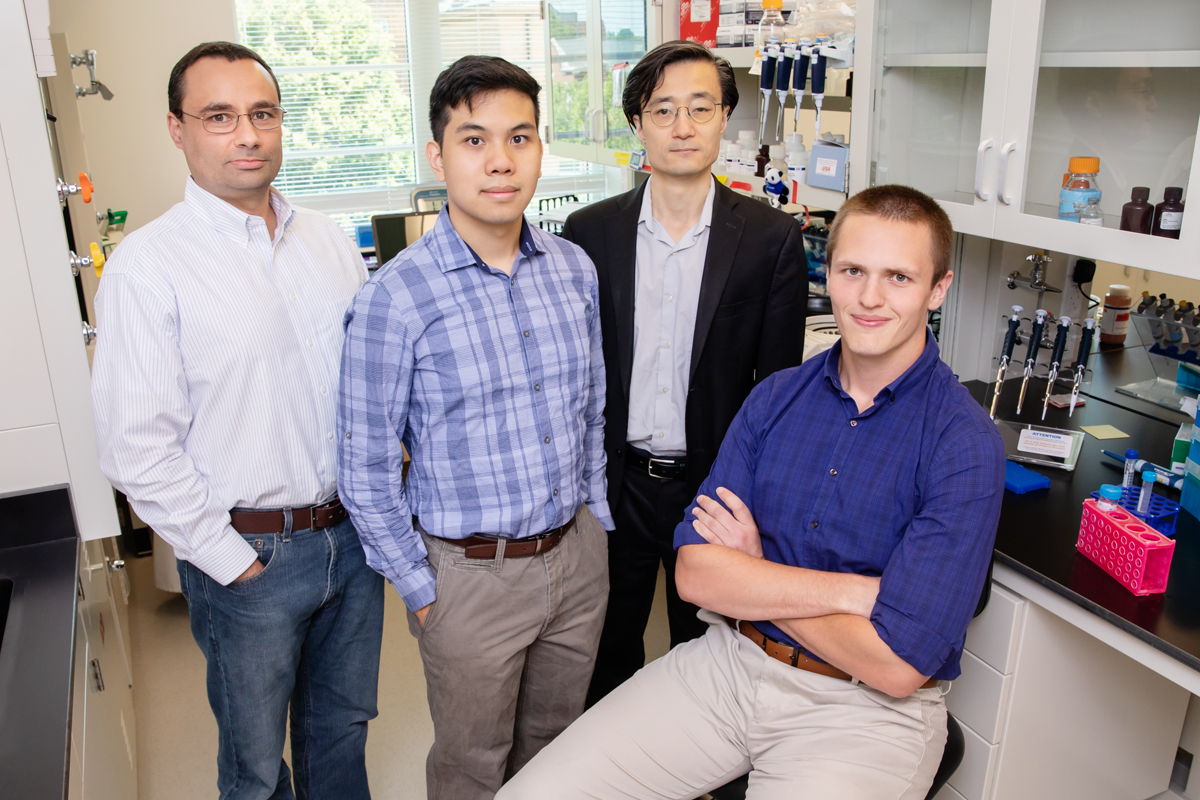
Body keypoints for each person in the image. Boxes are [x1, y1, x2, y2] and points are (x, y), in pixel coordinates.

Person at [497, 185, 1006, 800]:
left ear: (938, 288)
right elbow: (697, 577)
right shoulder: (774, 399)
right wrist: (852, 596)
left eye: (899, 277)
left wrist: (756, 574)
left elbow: (898, 664)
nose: (870, 298)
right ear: (831, 273)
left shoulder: (963, 443)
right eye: (852, 271)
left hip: (863, 717)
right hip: (728, 667)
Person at [91, 42, 384, 799]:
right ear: (177, 129)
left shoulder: (329, 242)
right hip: (248, 554)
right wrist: (229, 561)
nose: (247, 135)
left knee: (342, 734)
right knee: (254, 769)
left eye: (262, 114)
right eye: (218, 117)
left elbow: (366, 390)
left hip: (349, 542)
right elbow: (136, 449)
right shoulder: (149, 266)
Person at [337, 56, 612, 800]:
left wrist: (598, 523)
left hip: (576, 559)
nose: (500, 161)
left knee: (558, 756)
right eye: (474, 139)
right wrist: (422, 589)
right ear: (437, 155)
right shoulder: (396, 297)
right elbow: (363, 465)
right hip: (469, 581)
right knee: (471, 769)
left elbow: (590, 408)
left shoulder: (574, 269)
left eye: (519, 138)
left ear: (539, 148)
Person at [560, 40, 806, 705]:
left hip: (713, 488)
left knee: (704, 657)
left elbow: (777, 389)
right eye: (662, 109)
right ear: (637, 123)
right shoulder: (588, 234)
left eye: (701, 107)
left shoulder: (770, 237)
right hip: (615, 485)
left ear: (725, 116)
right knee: (607, 652)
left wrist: (751, 501)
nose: (683, 126)